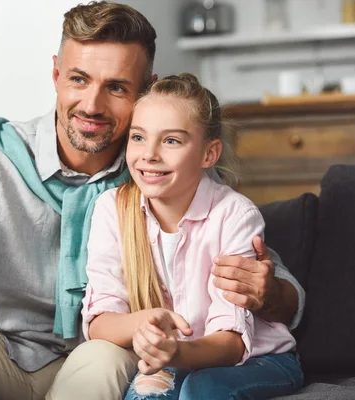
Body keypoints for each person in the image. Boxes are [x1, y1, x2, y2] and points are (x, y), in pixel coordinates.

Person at [0, 2, 304, 399]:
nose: (92, 105)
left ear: (145, 91)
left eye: (117, 87)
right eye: (79, 79)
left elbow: (259, 273)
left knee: (103, 354)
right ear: (57, 74)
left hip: (101, 360)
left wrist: (267, 292)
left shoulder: (159, 169)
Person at [81, 73, 304, 400]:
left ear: (209, 154)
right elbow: (99, 321)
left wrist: (174, 353)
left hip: (259, 360)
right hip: (173, 358)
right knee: (146, 393)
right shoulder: (111, 208)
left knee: (200, 392)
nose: (150, 154)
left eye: (171, 141)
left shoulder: (234, 215)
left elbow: (232, 343)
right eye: (139, 137)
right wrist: (143, 326)